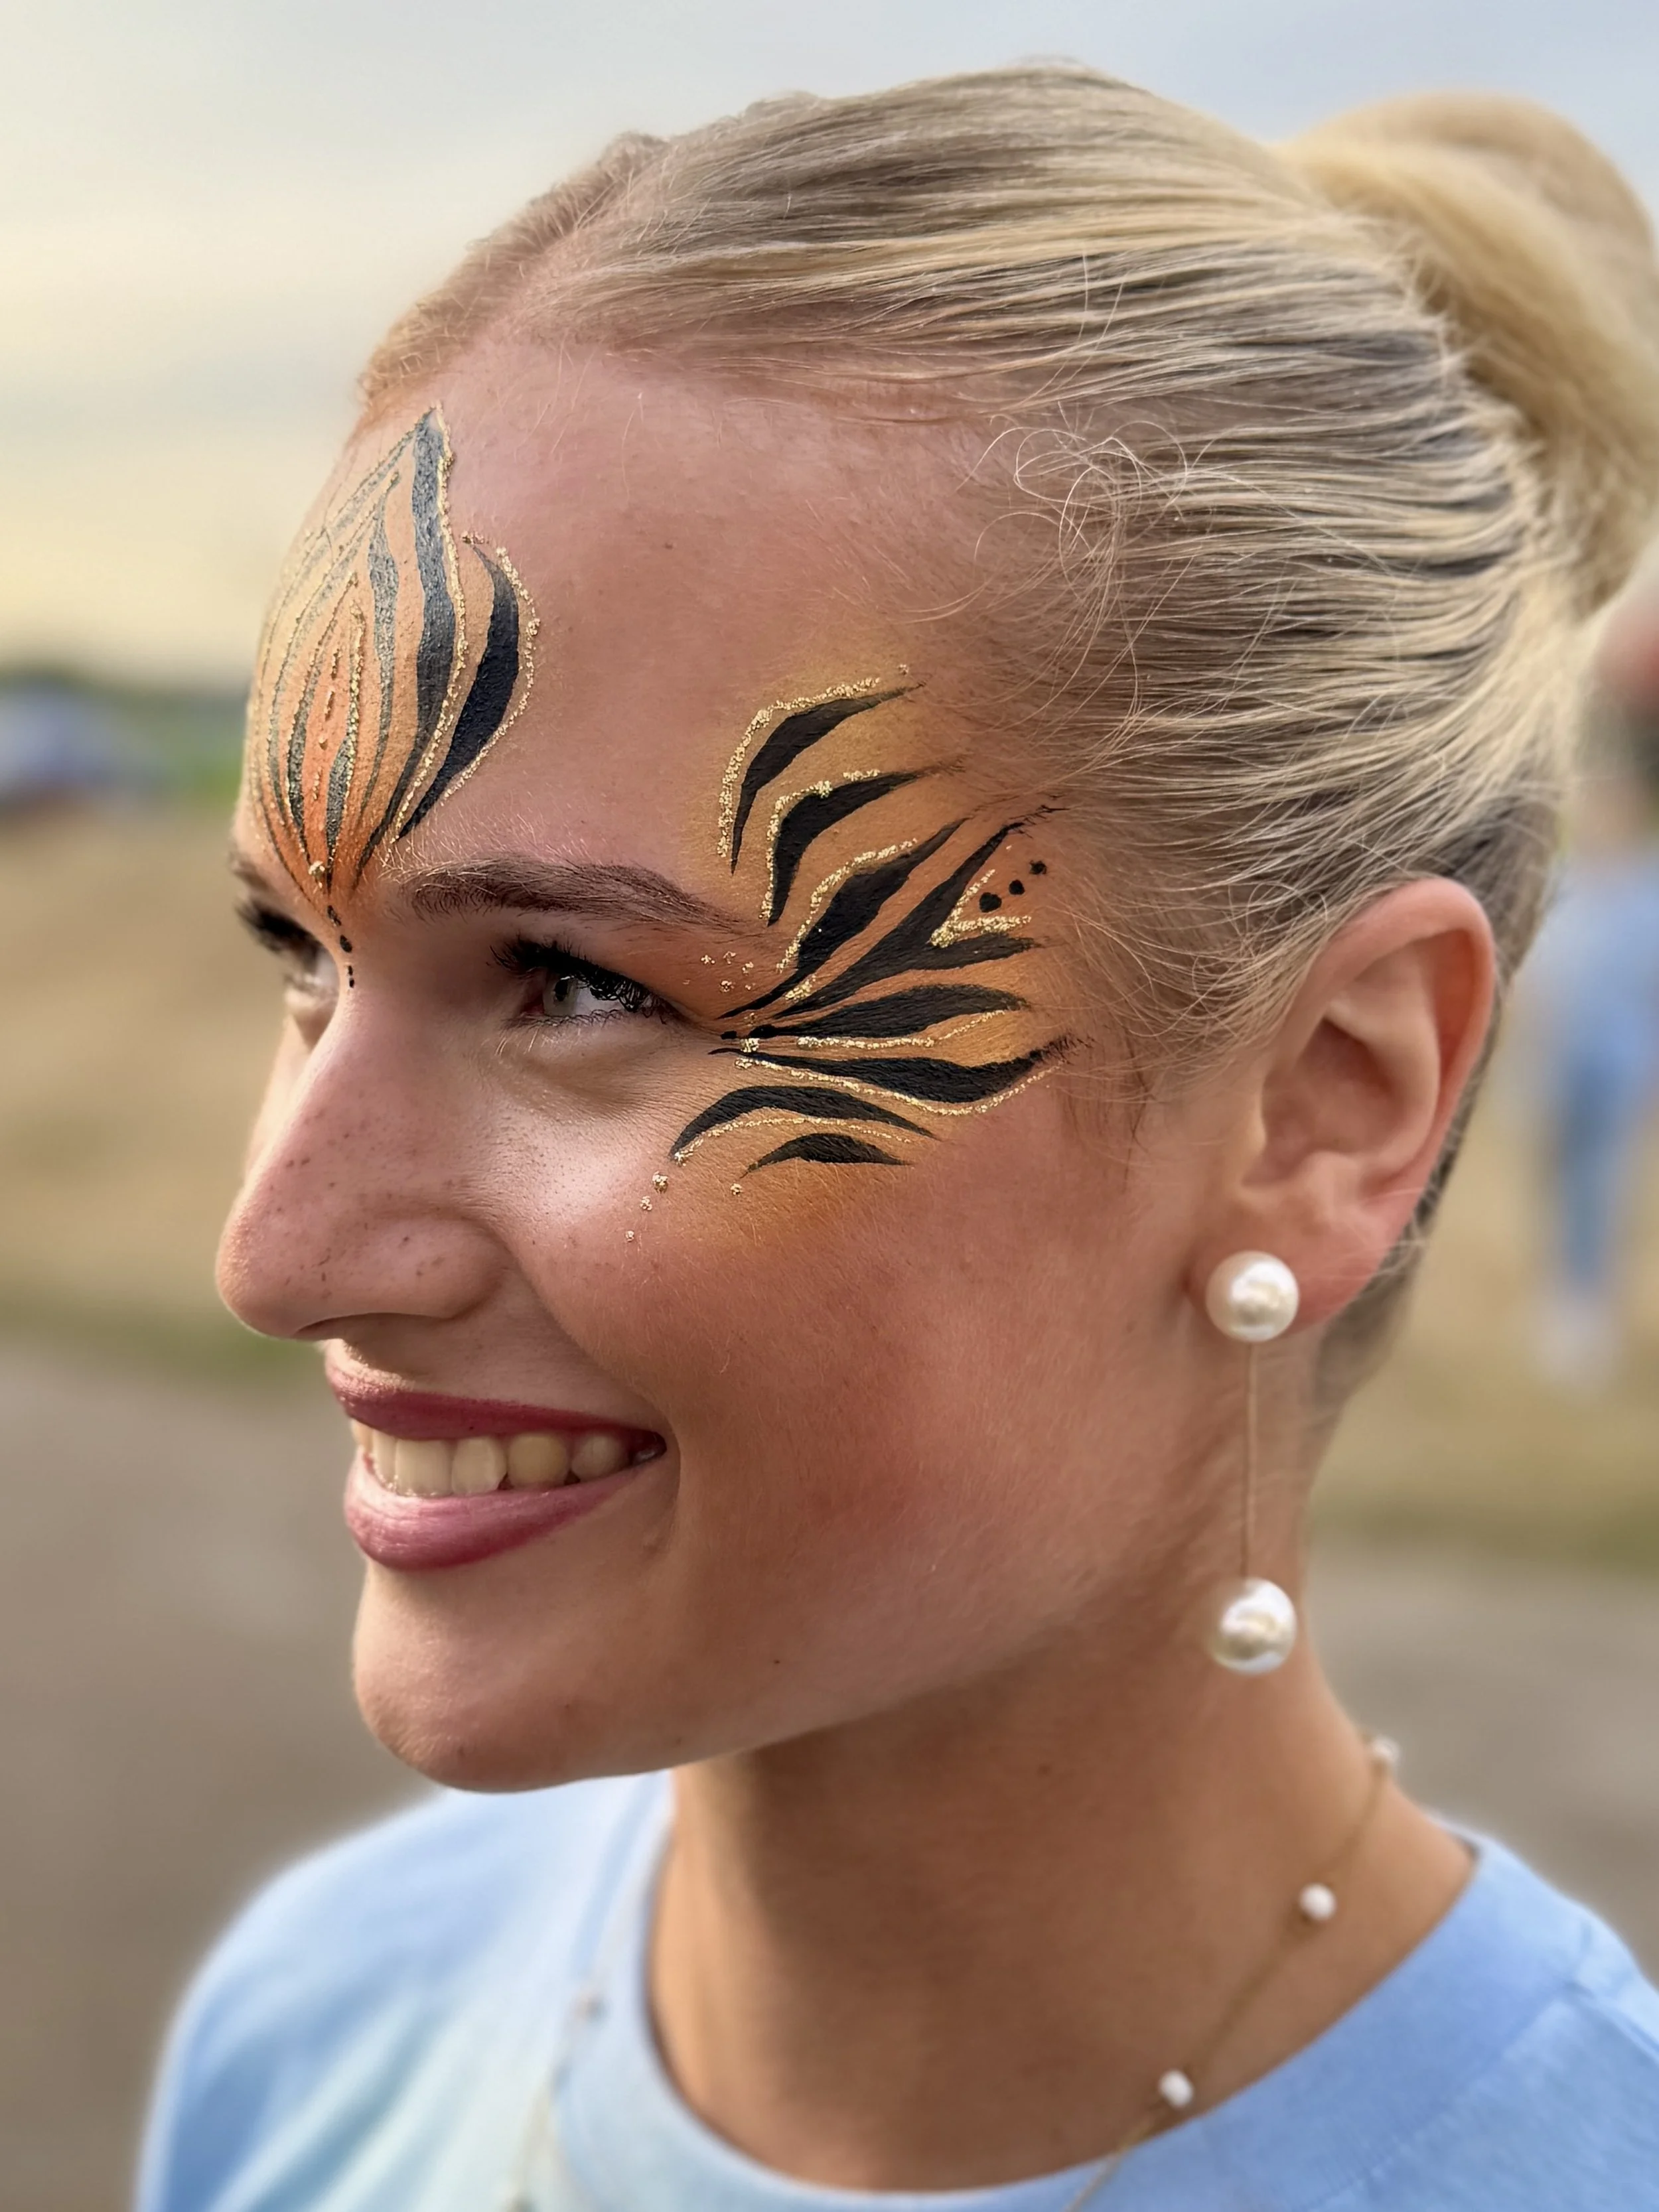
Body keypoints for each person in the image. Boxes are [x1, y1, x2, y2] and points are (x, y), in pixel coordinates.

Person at [137, 66, 1659, 2212]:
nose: (276, 1250)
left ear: (1327, 1099)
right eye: (303, 950)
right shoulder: (311, 2039)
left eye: (578, 980)